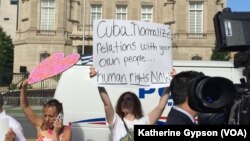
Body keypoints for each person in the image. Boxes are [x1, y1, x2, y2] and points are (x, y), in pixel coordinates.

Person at [90, 66, 175, 141]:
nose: (125, 102)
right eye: (122, 100)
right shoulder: (116, 121)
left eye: (128, 99)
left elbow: (160, 107)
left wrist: (170, 83)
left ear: (136, 104)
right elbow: (107, 104)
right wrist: (97, 80)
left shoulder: (144, 122)